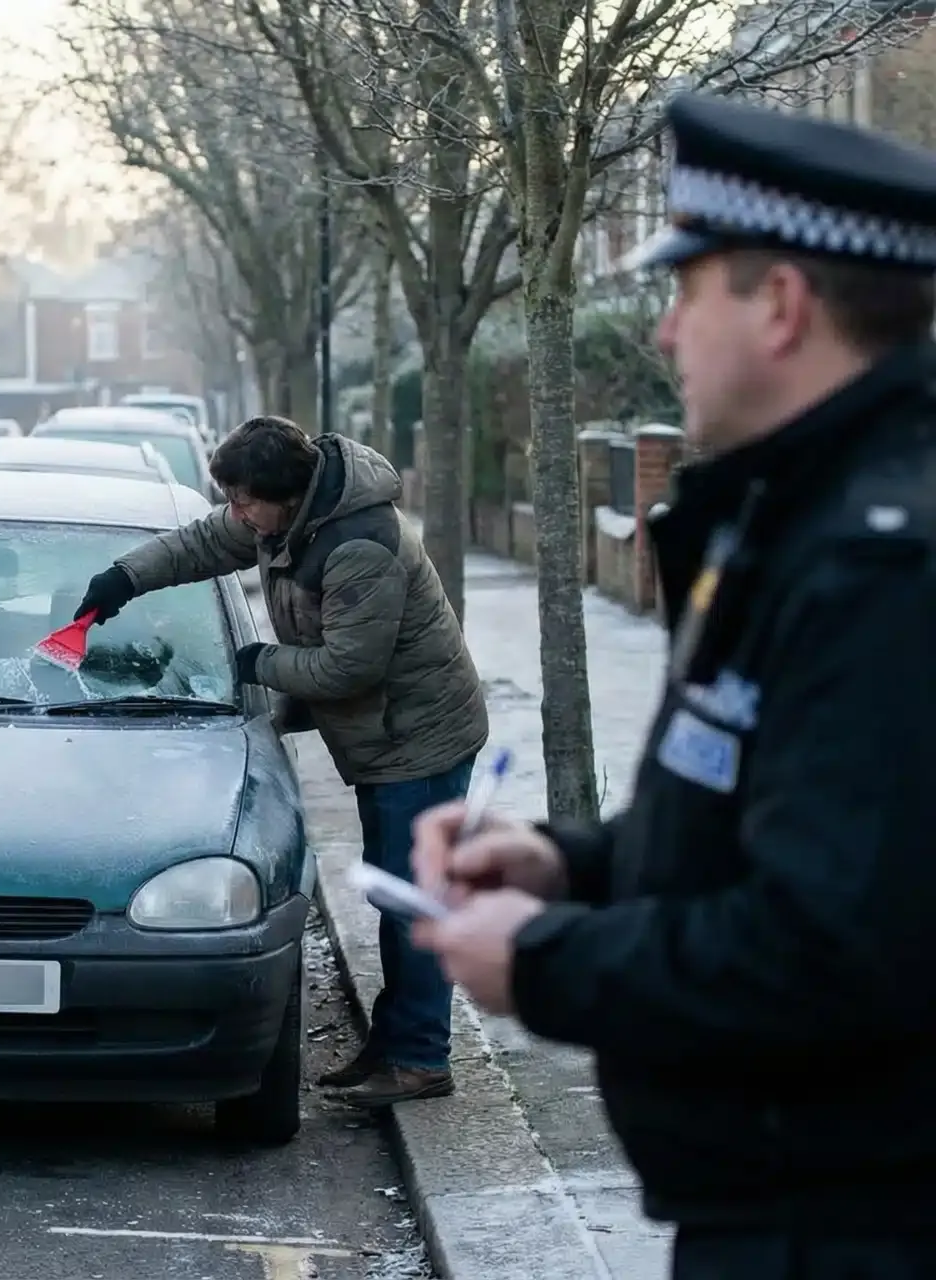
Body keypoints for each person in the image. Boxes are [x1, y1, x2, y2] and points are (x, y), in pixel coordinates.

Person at [409, 91, 936, 1279]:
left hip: (856, 1227)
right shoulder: (795, 513)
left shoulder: (883, 565)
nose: (662, 335)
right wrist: (570, 863)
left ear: (783, 305)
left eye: (688, 290)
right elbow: (768, 821)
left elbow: (830, 949)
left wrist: (544, 958)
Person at [73, 414, 488, 1107]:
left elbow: (349, 667)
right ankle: (395, 1045)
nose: (236, 514)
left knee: (412, 904)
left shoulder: (361, 546)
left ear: (287, 497)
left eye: (245, 502)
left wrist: (260, 662)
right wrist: (123, 579)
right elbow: (204, 542)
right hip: (386, 736)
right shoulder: (282, 516)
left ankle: (419, 1060)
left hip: (420, 738)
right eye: (231, 499)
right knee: (394, 897)